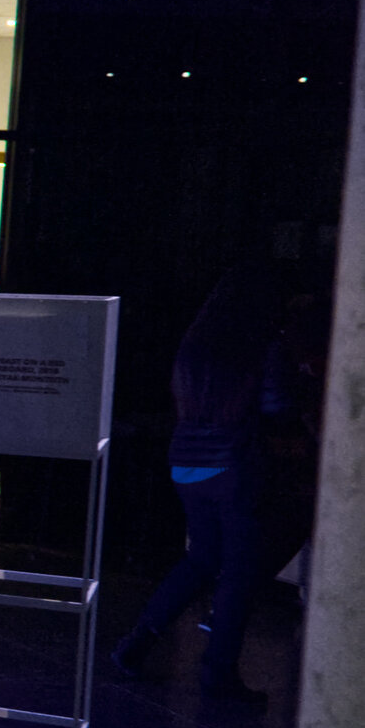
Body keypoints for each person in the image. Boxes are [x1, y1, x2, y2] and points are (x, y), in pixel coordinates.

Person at [109, 269, 285, 699]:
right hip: (233, 463)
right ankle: (218, 670)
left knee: (201, 558)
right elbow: (275, 405)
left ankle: (135, 645)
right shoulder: (259, 344)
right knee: (239, 570)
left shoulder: (195, 343)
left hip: (186, 460)